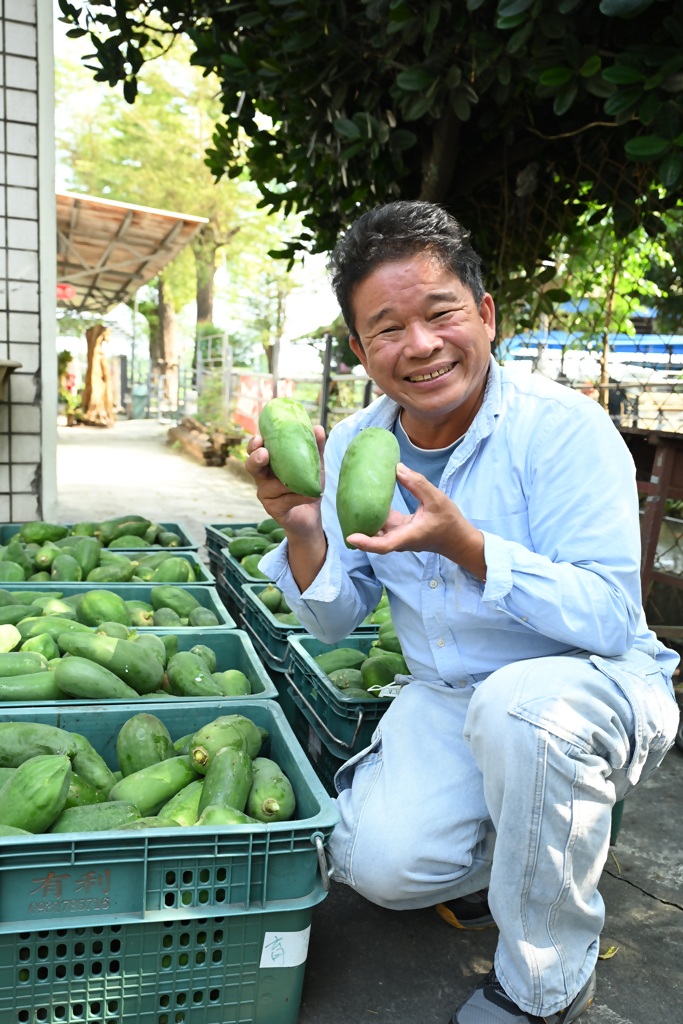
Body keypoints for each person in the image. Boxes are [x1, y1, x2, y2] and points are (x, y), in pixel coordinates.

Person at [245, 200, 680, 1024]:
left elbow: (608, 616)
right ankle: (529, 842)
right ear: (359, 348)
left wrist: (467, 547)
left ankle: (544, 981)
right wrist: (304, 527)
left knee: (522, 713)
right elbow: (336, 620)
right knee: (378, 868)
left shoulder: (564, 431)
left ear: (483, 314)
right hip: (447, 698)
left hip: (588, 684)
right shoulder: (353, 445)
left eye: (439, 312)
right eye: (386, 328)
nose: (419, 345)